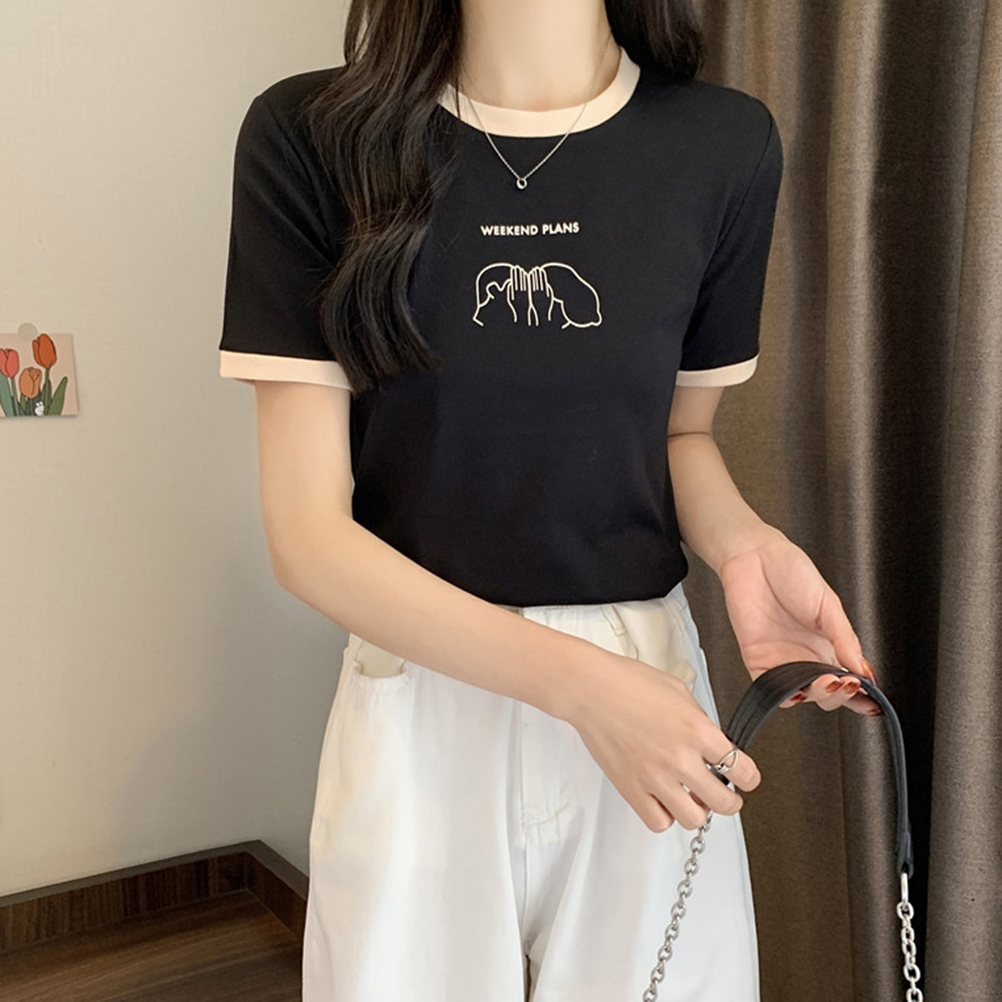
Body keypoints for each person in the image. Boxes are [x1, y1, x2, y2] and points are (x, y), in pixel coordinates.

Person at [218, 1, 883, 998]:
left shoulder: (721, 145)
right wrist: (581, 688)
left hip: (647, 685)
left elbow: (678, 436)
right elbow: (308, 537)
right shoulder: (312, 137)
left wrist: (746, 550)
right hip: (423, 688)